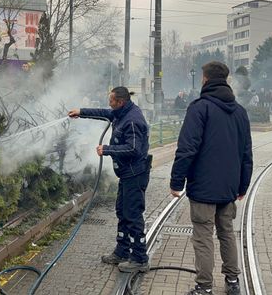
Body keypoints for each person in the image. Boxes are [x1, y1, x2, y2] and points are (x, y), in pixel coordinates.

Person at [170, 61, 253, 295]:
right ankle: (233, 283)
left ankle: (204, 288)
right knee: (226, 233)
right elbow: (246, 153)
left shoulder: (199, 108)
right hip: (228, 187)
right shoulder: (240, 112)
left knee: (203, 236)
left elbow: (187, 148)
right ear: (226, 80)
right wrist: (243, 185)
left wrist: (177, 181)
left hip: (203, 187)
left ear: (204, 79)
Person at [68, 87, 152, 273]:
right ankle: (122, 251)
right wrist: (81, 112)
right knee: (122, 212)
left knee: (132, 215)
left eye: (112, 100)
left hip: (135, 175)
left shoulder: (132, 120)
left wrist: (107, 150)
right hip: (126, 174)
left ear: (120, 102)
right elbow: (104, 113)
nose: (109, 103)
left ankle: (139, 258)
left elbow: (134, 149)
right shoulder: (122, 112)